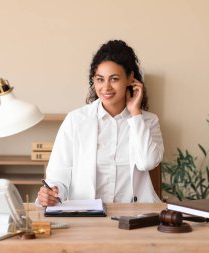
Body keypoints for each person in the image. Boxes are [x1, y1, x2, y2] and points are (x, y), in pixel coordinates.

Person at [37, 40, 164, 206]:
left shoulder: (148, 121)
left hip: (135, 216)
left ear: (130, 78)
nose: (106, 87)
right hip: (88, 216)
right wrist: (52, 192)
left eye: (114, 79)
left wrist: (135, 114)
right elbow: (58, 176)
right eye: (100, 79)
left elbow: (147, 162)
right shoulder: (75, 121)